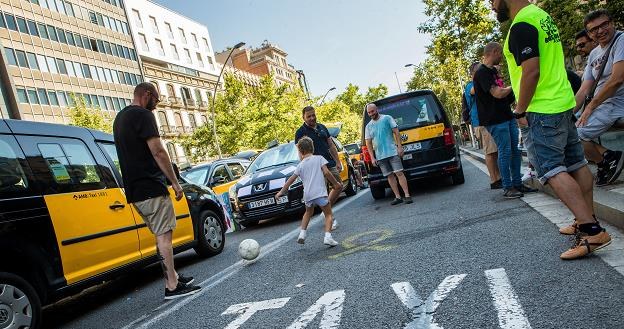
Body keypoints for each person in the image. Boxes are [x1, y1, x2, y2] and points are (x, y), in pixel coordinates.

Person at [492, 0, 611, 259]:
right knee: (576, 165)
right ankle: (583, 221)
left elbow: (531, 71)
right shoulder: (541, 16)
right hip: (561, 103)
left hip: (542, 108)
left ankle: (592, 231)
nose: (491, 6)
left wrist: (520, 110)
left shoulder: (521, 24)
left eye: (491, 0)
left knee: (551, 169)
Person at [113, 82, 201, 299]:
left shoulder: (120, 118)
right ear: (147, 95)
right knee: (164, 236)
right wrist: (175, 182)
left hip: (135, 191)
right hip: (151, 186)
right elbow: (159, 151)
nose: (156, 104)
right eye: (157, 99)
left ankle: (173, 277)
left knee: (159, 236)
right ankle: (172, 286)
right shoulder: (143, 115)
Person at [474, 42, 536, 198]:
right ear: (494, 52)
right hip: (494, 119)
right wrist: (516, 85)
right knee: (505, 151)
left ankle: (517, 183)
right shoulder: (482, 73)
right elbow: (497, 93)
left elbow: (503, 96)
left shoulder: (493, 72)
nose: (501, 57)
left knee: (515, 151)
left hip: (506, 115)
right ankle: (508, 186)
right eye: (500, 53)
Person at [574, 10, 624, 186]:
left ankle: (607, 160)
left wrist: (590, 107)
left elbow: (617, 79)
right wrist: (566, 112)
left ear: (612, 22)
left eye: (604, 25)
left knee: (574, 137)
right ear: (589, 34)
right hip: (603, 105)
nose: (600, 31)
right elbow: (584, 89)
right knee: (568, 132)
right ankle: (608, 157)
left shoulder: (621, 40)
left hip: (616, 102)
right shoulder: (595, 54)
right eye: (594, 29)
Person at [276, 137, 342, 246]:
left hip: (307, 195)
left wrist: (281, 192)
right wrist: (335, 183)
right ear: (313, 148)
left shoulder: (300, 165)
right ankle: (328, 237)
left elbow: (291, 180)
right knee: (328, 214)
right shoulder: (319, 158)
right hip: (320, 193)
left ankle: (302, 234)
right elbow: (326, 173)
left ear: (301, 151)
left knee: (307, 213)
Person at [295, 106, 343, 229]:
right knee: (324, 193)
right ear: (303, 117)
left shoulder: (322, 127)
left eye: (313, 115)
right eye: (309, 116)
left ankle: (325, 213)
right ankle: (330, 218)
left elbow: (331, 145)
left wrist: (337, 161)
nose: (312, 118)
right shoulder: (300, 132)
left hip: (329, 163)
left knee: (338, 186)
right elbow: (300, 153)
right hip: (315, 167)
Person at [364, 103, 412, 205]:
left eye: (372, 111)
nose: (371, 114)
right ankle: (398, 197)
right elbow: (368, 143)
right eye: (369, 112)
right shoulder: (368, 126)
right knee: (390, 176)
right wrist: (372, 158)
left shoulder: (387, 118)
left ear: (376, 109)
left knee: (399, 173)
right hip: (380, 156)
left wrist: (399, 147)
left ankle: (407, 195)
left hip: (393, 152)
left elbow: (396, 132)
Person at [465, 61, 502, 189]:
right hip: (480, 122)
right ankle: (494, 179)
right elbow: (474, 90)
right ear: (474, 73)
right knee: (490, 151)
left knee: (494, 150)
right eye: (481, 70)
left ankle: (498, 177)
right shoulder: (470, 85)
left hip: (488, 120)